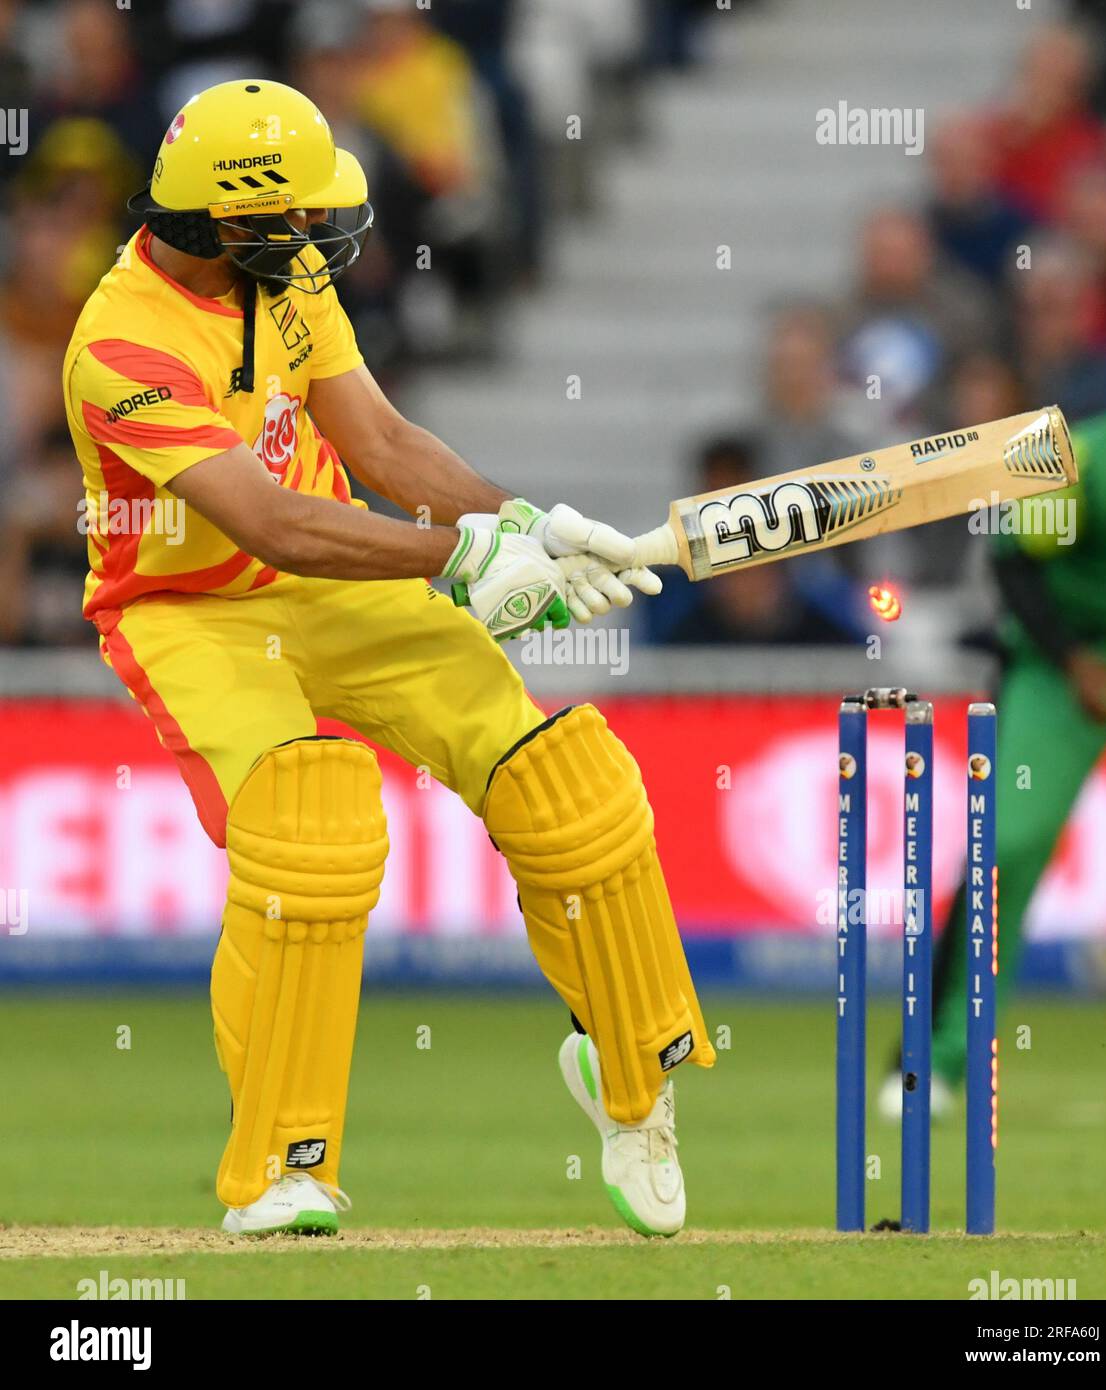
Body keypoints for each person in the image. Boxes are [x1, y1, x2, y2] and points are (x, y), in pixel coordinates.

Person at [63, 79, 714, 1238]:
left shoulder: (284, 273)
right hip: (190, 609)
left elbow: (379, 441)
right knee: (309, 826)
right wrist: (458, 555)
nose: (319, 236)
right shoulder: (120, 346)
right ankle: (282, 1166)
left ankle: (631, 1081)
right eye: (298, 216)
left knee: (566, 780)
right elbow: (268, 519)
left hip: (331, 584)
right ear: (226, 219)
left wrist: (530, 528)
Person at [880, 333, 1106, 1119]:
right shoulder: (1088, 456)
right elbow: (1013, 561)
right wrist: (1074, 663)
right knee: (1009, 844)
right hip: (1070, 664)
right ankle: (932, 1060)